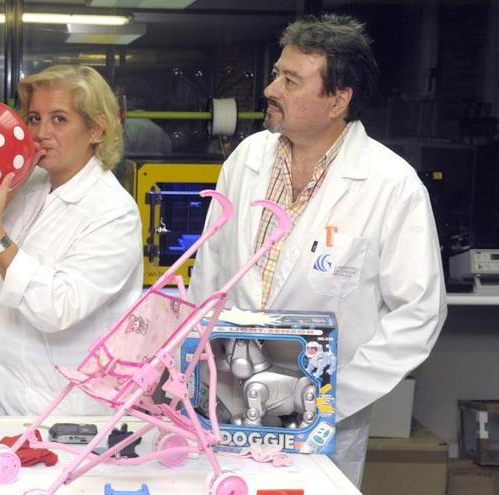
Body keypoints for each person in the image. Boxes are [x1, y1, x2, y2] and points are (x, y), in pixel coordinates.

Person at [188, 14, 446, 486]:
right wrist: (199, 367)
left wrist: (330, 398)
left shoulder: (391, 185)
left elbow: (418, 315)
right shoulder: (247, 158)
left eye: (290, 80)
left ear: (338, 100)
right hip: (226, 404)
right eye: (275, 75)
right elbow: (211, 270)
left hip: (325, 422)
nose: (270, 89)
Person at [0, 65, 143, 416]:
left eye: (59, 119)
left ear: (96, 129)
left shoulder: (114, 212)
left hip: (52, 413)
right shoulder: (28, 184)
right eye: (33, 118)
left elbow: (57, 307)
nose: (41, 133)